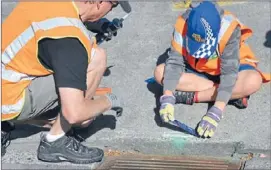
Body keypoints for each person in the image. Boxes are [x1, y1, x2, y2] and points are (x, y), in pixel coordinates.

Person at [1, 1, 130, 164]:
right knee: (96, 58)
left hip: (6, 73)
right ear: (100, 3)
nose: (110, 11)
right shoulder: (70, 39)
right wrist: (109, 101)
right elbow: (74, 114)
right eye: (113, 5)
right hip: (7, 98)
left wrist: (99, 24)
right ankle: (55, 140)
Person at [154, 1, 270, 138]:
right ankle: (231, 95)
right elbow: (174, 62)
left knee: (253, 81)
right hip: (197, 68)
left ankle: (195, 96)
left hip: (229, 69)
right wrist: (167, 96)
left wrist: (216, 112)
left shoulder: (229, 29)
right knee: (160, 72)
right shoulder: (182, 23)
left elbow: (229, 73)